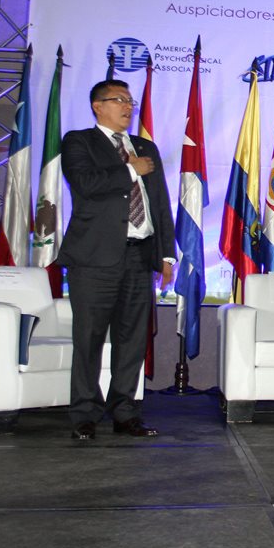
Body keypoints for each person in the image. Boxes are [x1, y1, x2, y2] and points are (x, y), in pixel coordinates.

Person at [59, 79, 175, 440]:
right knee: (89, 339)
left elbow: (160, 205)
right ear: (98, 105)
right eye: (119, 100)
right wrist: (129, 170)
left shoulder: (145, 147)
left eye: (130, 101)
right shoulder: (79, 141)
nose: (128, 106)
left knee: (132, 339)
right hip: (94, 260)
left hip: (139, 257)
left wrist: (166, 255)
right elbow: (85, 184)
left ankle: (125, 412)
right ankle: (84, 414)